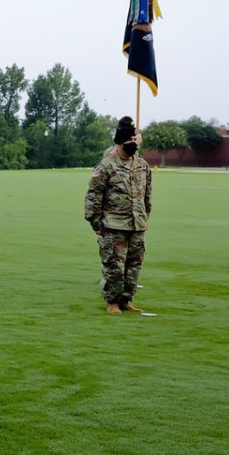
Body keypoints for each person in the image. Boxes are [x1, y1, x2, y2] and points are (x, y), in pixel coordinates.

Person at [84, 116, 152, 314]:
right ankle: (112, 302)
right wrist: (97, 225)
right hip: (114, 225)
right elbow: (93, 198)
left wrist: (143, 218)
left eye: (134, 141)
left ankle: (126, 300)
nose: (133, 145)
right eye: (128, 142)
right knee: (114, 267)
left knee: (134, 267)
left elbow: (147, 195)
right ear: (119, 143)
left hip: (137, 225)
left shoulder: (142, 165)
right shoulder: (106, 166)